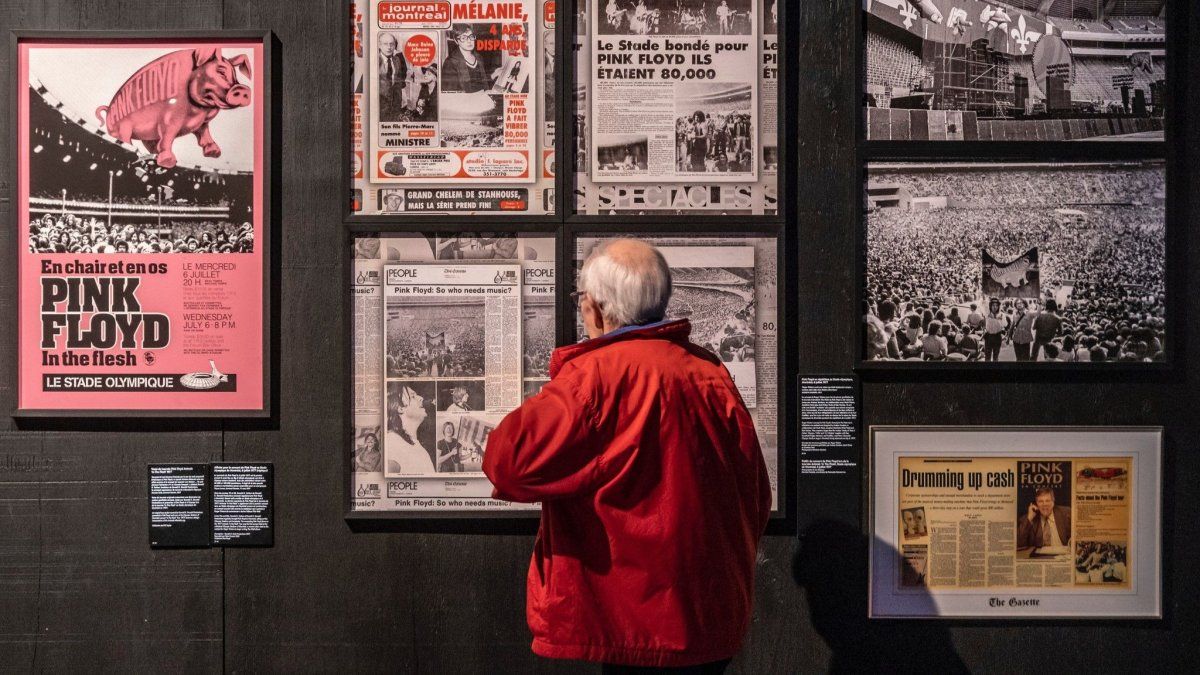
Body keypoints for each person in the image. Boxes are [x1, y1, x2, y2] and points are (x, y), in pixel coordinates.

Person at [483, 239, 771, 672]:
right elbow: (756, 491)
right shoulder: (710, 373)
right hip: (708, 615)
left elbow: (508, 461)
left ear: (596, 309)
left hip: (631, 620)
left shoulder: (596, 376)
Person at [385, 384, 436, 474]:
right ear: (400, 408)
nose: (421, 398)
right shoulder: (392, 441)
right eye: (413, 396)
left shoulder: (415, 445)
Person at [441, 25, 496, 93]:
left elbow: (479, 82)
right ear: (456, 41)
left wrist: (494, 75)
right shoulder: (451, 62)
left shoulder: (479, 58)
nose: (469, 41)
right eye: (463, 38)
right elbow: (450, 94)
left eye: (471, 36)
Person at [377, 33, 408, 117]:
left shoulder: (397, 60)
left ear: (395, 45)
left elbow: (398, 82)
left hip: (394, 107)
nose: (389, 47)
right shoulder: (374, 60)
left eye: (391, 44)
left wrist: (399, 102)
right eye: (385, 44)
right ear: (379, 45)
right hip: (379, 107)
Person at [982, 298, 1007, 362]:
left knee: (996, 356)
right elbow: (983, 303)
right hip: (988, 336)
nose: (995, 307)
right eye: (993, 305)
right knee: (987, 356)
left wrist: (999, 319)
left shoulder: (1002, 314)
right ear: (990, 306)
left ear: (999, 306)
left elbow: (1005, 325)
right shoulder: (987, 313)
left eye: (996, 305)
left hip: (997, 337)